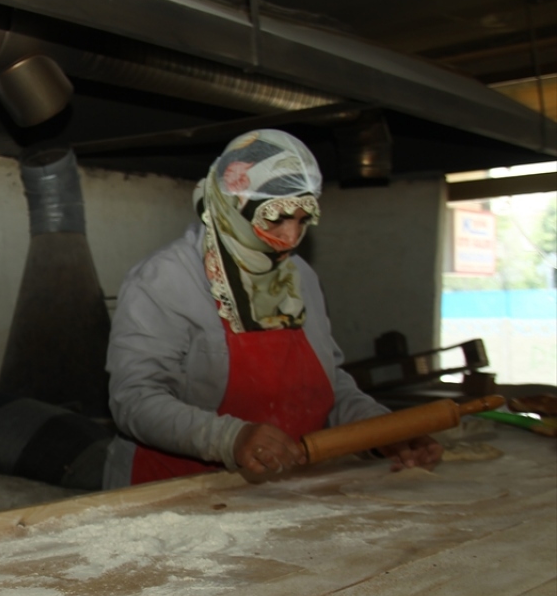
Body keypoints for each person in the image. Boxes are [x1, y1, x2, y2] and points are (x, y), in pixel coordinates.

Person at [104, 129, 442, 488]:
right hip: (175, 490)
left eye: (302, 219)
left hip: (283, 489)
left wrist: (383, 430)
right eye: (276, 217)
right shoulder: (164, 280)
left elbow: (330, 387)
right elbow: (135, 400)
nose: (290, 237)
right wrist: (229, 438)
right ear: (234, 205)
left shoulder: (300, 278)